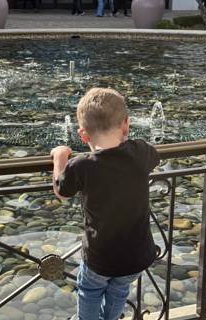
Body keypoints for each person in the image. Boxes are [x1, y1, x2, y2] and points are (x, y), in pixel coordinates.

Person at [51, 88, 160, 320]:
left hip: (101, 257)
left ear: (83, 135)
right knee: (119, 290)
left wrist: (60, 157)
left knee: (90, 292)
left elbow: (62, 192)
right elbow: (153, 157)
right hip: (136, 255)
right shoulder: (141, 151)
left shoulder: (81, 165)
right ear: (126, 125)